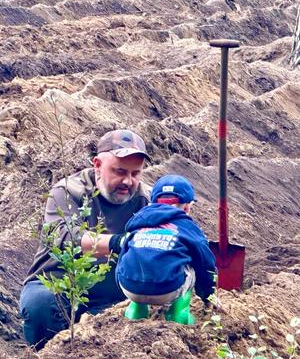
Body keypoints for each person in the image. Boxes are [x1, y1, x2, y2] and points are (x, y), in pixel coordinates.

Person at [19, 129, 151, 349]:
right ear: (97, 165)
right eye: (119, 171)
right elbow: (63, 237)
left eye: (135, 174)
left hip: (111, 298)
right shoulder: (69, 191)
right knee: (40, 304)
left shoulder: (145, 200)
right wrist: (118, 242)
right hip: (60, 284)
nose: (128, 181)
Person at [116, 174, 216, 325]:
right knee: (193, 265)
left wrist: (122, 281)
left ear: (153, 203)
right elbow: (205, 262)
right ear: (188, 206)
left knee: (138, 255)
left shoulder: (137, 223)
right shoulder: (187, 227)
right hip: (167, 289)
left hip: (129, 286)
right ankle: (178, 315)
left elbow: (123, 254)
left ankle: (135, 311)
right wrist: (208, 293)